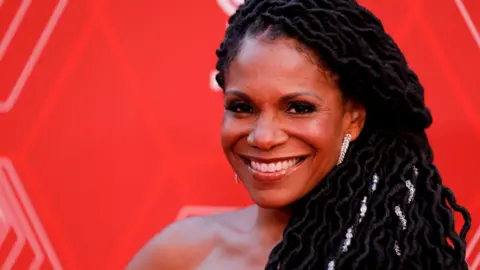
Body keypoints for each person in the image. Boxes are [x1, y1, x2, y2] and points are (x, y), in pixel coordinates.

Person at [127, 0, 472, 269]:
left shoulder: (400, 257)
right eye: (243, 107)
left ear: (352, 119)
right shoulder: (178, 255)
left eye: (299, 108)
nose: (263, 137)